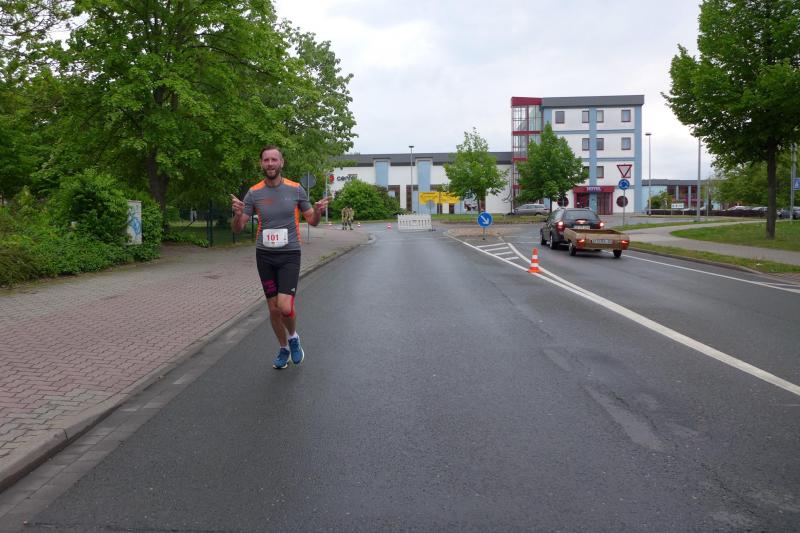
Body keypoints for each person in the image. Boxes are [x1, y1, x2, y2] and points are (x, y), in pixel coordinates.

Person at [230, 146, 330, 369]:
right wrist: (236, 215)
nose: (270, 164)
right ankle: (283, 348)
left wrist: (317, 211)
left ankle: (293, 337)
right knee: (273, 309)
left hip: (289, 255)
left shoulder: (295, 189)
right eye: (266, 160)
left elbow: (312, 221)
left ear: (281, 163)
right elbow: (238, 228)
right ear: (261, 164)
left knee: (284, 307)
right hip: (264, 256)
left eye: (274, 159)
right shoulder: (254, 193)